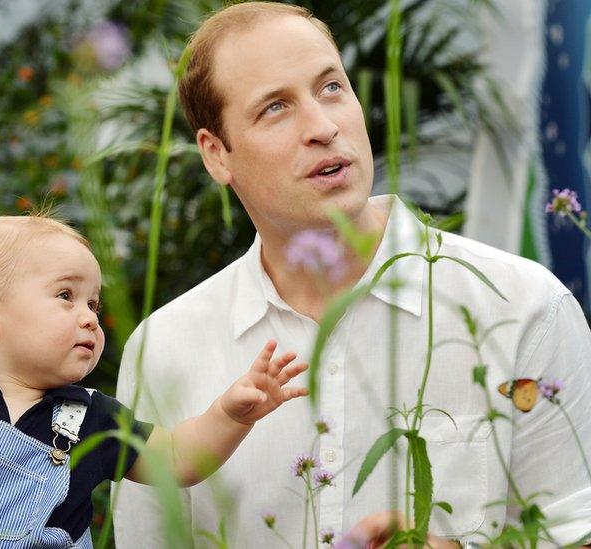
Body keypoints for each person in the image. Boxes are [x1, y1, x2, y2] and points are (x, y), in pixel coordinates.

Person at [113, 2, 591, 548]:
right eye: (275, 107)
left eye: (332, 88)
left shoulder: (524, 307)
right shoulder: (165, 346)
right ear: (217, 155)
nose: (322, 126)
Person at [0, 215, 310, 549]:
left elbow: (176, 459)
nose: (90, 318)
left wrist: (229, 415)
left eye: (93, 304)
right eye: (65, 296)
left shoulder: (91, 415)